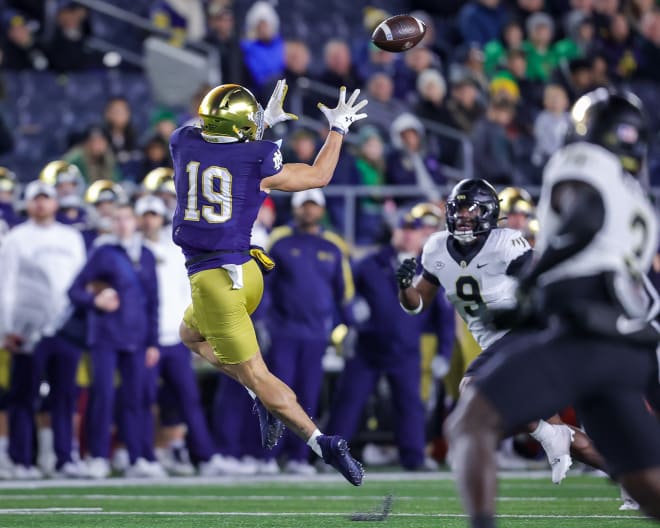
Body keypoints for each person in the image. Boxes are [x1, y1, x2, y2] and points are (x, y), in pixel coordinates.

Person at [445, 88, 660, 526]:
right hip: (627, 346)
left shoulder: (586, 161)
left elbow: (583, 218)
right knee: (645, 484)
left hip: (583, 329)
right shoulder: (640, 200)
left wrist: (530, 283)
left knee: (471, 421)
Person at [171, 80, 367, 486]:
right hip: (250, 271)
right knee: (190, 334)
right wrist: (339, 127)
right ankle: (259, 396)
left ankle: (321, 442)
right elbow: (319, 175)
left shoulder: (182, 142)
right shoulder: (258, 157)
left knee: (258, 375)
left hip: (214, 280)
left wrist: (260, 125)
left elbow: (217, 139)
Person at [397, 178, 603, 484]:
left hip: (523, 334)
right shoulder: (436, 248)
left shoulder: (504, 243)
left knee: (473, 391)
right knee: (560, 432)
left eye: (471, 209)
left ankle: (548, 435)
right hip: (496, 342)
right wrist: (404, 287)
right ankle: (634, 479)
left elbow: (539, 285)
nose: (463, 215)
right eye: (459, 208)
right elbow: (416, 305)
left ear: (489, 213)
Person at [326, 204, 454, 471]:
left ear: (423, 236)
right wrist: (350, 318)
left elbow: (444, 315)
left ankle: (414, 457)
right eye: (405, 228)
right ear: (395, 231)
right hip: (367, 347)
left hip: (405, 349)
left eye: (415, 230)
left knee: (410, 406)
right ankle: (332, 457)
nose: (409, 235)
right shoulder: (370, 262)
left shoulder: (429, 268)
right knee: (348, 403)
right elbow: (345, 293)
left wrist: (444, 352)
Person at [136, 194, 254, 476]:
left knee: (189, 399)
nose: (150, 220)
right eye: (146, 214)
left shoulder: (174, 248)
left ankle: (204, 456)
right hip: (145, 338)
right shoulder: (133, 249)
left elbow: (191, 291)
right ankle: (144, 457)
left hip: (177, 335)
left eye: (154, 214)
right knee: (143, 399)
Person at [261, 189, 354, 475]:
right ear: (296, 209)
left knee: (309, 396)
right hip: (283, 331)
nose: (309, 211)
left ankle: (300, 457)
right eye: (304, 206)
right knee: (275, 395)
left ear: (321, 210)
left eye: (313, 206)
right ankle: (267, 457)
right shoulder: (279, 240)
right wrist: (261, 322)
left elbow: (343, 290)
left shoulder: (333, 245)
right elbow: (264, 286)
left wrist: (349, 325)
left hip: (317, 334)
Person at [0, 181, 86, 478]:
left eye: (46, 198)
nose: (41, 204)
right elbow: (6, 285)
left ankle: (64, 459)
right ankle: (20, 460)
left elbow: (81, 281)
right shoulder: (16, 238)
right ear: (27, 203)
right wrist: (6, 328)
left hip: (65, 329)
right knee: (23, 396)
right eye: (36, 199)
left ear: (54, 203)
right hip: (28, 329)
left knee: (64, 396)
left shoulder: (71, 237)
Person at [68, 204, 159, 479]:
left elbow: (154, 301)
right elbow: (74, 291)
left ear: (135, 221)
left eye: (126, 218)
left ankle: (136, 457)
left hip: (136, 337)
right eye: (117, 219)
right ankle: (98, 456)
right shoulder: (103, 252)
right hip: (106, 336)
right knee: (103, 397)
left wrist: (153, 341)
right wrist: (95, 300)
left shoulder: (146, 254)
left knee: (135, 399)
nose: (122, 224)